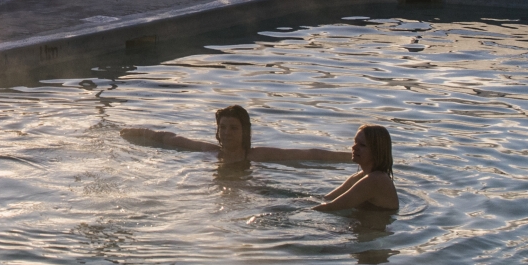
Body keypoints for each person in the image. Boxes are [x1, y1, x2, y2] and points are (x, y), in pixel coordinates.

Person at [121, 107, 398, 212]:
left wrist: (281, 213)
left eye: (234, 128)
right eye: (223, 128)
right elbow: (171, 139)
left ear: (246, 132)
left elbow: (310, 156)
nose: (227, 134)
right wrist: (139, 132)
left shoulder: (374, 179)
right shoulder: (362, 176)